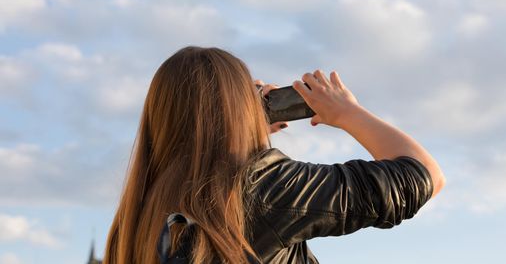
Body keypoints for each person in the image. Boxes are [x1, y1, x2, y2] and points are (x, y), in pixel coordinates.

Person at [102, 46, 446, 264]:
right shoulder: (262, 186)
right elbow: (423, 176)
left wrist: (244, 132)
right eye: (250, 93)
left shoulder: (136, 217)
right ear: (237, 110)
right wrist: (347, 112)